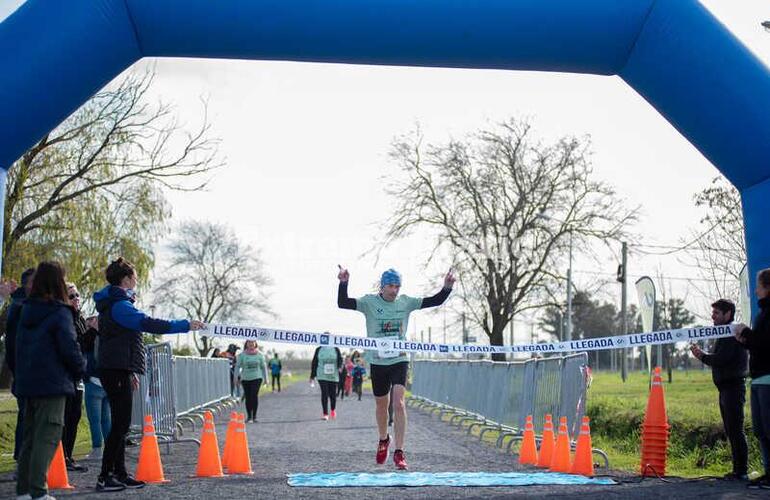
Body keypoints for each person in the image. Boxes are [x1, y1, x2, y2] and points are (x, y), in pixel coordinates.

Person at [94, 257, 205, 492]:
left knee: (121, 424)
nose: (136, 279)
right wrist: (185, 324)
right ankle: (105, 476)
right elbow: (149, 323)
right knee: (120, 424)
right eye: (134, 276)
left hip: (119, 368)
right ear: (126, 279)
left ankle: (120, 473)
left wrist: (131, 370)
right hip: (114, 368)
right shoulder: (120, 305)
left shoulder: (119, 302)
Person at [337, 266, 454, 470]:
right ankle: (384, 439)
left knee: (399, 403)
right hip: (378, 362)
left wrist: (447, 287)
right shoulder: (369, 302)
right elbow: (343, 303)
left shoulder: (405, 302)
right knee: (382, 406)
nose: (395, 290)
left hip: (399, 359)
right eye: (391, 286)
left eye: (397, 286)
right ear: (382, 286)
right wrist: (344, 283)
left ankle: (399, 452)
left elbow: (434, 301)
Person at [14, 261, 86, 500]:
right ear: (58, 282)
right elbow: (69, 347)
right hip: (53, 383)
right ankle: (37, 491)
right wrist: (80, 369)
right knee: (49, 435)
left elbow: (16, 348)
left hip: (28, 382)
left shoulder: (25, 309)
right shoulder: (59, 312)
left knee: (30, 438)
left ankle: (23, 490)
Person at [690, 299, 748, 481]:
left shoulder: (731, 333)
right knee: (731, 430)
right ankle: (737, 470)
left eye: (716, 313)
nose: (712, 316)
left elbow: (722, 359)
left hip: (733, 387)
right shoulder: (722, 334)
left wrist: (702, 356)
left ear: (728, 314)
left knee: (735, 429)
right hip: (724, 388)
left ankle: (741, 471)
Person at [735, 268, 770, 490]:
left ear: (767, 287)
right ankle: (768, 472)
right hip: (757, 378)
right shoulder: (761, 313)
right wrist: (744, 338)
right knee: (760, 430)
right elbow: (756, 345)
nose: (755, 289)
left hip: (768, 379)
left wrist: (746, 334)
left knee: (769, 428)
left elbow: (765, 344)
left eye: (758, 284)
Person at [5, 267, 34, 476]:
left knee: (31, 418)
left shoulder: (26, 305)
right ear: (28, 284)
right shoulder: (19, 307)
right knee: (26, 417)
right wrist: (19, 372)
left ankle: (28, 463)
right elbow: (13, 346)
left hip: (30, 372)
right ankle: (21, 463)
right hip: (26, 373)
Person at [60, 283, 89, 473]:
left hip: (78, 376)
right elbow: (74, 345)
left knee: (75, 416)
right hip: (65, 376)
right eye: (71, 296)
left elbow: (84, 347)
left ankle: (68, 456)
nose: (76, 298)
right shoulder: (64, 318)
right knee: (65, 416)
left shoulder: (80, 318)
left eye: (77, 295)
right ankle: (60, 458)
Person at [82, 314, 111, 462]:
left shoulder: (89, 337)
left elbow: (83, 351)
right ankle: (111, 449)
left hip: (93, 382)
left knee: (95, 419)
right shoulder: (109, 336)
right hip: (107, 382)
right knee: (106, 419)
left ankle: (97, 449)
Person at [236, 340, 268, 422]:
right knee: (248, 397)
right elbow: (237, 366)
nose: (251, 344)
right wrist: (235, 378)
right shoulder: (242, 355)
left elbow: (264, 367)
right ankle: (249, 416)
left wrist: (266, 379)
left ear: (255, 344)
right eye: (249, 342)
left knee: (254, 395)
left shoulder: (260, 355)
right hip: (245, 378)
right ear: (246, 344)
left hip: (257, 377)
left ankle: (255, 416)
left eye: (252, 342)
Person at [310, 343, 342, 420]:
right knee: (324, 393)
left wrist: (340, 367)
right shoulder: (319, 349)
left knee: (333, 394)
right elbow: (314, 362)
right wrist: (312, 376)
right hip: (321, 374)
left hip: (333, 375)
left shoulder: (336, 349)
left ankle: (333, 409)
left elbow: (340, 359)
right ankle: (325, 414)